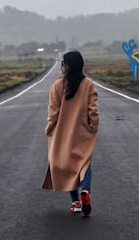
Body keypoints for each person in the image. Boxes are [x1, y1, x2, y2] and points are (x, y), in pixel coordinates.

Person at [41, 50, 99, 217]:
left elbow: (53, 113)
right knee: (84, 163)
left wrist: (49, 128)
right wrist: (93, 127)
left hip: (61, 134)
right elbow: (93, 110)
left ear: (66, 66)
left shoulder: (58, 85)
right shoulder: (88, 84)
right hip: (82, 133)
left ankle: (75, 201)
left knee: (66, 165)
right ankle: (85, 191)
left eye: (63, 64)